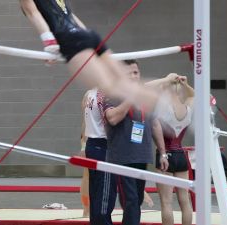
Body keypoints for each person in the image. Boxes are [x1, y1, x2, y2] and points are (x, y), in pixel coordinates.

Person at [19, 0, 157, 108]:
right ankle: (163, 98)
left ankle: (161, 102)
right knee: (123, 82)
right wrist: (86, 38)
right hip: (87, 35)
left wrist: (51, 46)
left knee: (111, 87)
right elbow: (70, 15)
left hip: (71, 40)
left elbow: (33, 13)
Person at [103, 60, 168, 225]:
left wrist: (163, 152)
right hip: (122, 158)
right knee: (130, 200)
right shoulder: (112, 94)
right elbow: (113, 118)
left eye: (136, 73)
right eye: (129, 73)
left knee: (136, 200)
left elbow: (154, 124)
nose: (134, 76)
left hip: (141, 155)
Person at [145, 73, 194, 225]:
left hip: (164, 155)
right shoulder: (188, 106)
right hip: (181, 155)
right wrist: (186, 85)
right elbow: (195, 95)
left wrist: (165, 79)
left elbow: (145, 88)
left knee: (166, 203)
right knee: (185, 201)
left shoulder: (162, 105)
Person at [80, 87, 116, 225]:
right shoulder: (105, 95)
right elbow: (111, 123)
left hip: (91, 145)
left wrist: (84, 145)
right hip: (104, 146)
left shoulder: (89, 93)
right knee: (104, 195)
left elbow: (84, 122)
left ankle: (94, 220)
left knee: (95, 192)